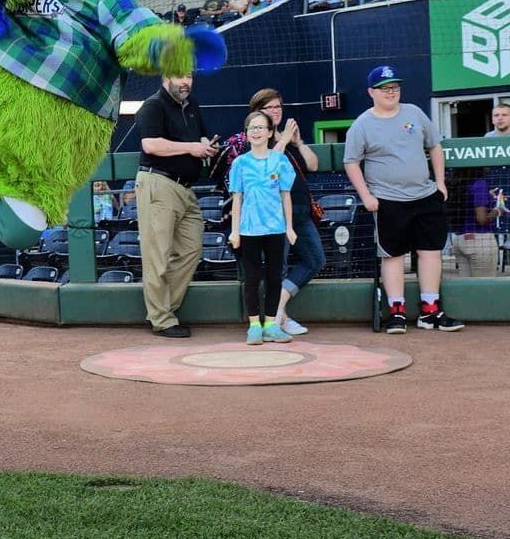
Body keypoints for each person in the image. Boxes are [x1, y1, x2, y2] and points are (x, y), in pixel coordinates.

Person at [344, 65, 463, 334]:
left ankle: (430, 310)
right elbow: (351, 162)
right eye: (385, 88)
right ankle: (396, 312)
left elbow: (434, 145)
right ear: (371, 92)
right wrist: (366, 196)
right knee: (393, 255)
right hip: (387, 199)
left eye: (395, 87)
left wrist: (440, 183)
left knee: (431, 252)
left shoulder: (414, 113)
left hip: (424, 194)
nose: (391, 92)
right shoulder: (362, 124)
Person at [212, 89, 323, 336]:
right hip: (266, 217)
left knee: (315, 259)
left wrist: (297, 141)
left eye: (278, 107)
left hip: (298, 211)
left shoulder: (285, 137)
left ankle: (279, 311)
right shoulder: (248, 142)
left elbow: (313, 165)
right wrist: (282, 142)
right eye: (269, 108)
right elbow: (255, 175)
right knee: (273, 269)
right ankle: (271, 321)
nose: (276, 111)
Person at [135, 72, 219, 338]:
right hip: (158, 183)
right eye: (179, 76)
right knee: (157, 256)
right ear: (166, 77)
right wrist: (191, 148)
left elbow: (201, 138)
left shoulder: (191, 105)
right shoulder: (153, 105)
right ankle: (162, 319)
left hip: (185, 189)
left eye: (190, 76)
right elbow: (150, 144)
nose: (186, 82)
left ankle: (162, 309)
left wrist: (206, 146)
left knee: (191, 250)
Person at [227, 110, 297, 345]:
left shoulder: (281, 161)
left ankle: (271, 325)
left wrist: (289, 228)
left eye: (260, 127)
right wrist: (235, 231)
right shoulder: (240, 163)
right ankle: (254, 325)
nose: (256, 131)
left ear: (270, 132)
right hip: (249, 231)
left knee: (275, 277)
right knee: (252, 277)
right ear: (246, 134)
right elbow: (237, 198)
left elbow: (286, 195)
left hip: (276, 229)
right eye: (251, 128)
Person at [448, 168, 500, 278]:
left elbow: (468, 201)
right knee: (485, 289)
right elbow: (482, 219)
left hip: (459, 241)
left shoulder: (458, 184)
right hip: (481, 241)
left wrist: (487, 195)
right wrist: (498, 210)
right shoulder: (480, 183)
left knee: (466, 289)